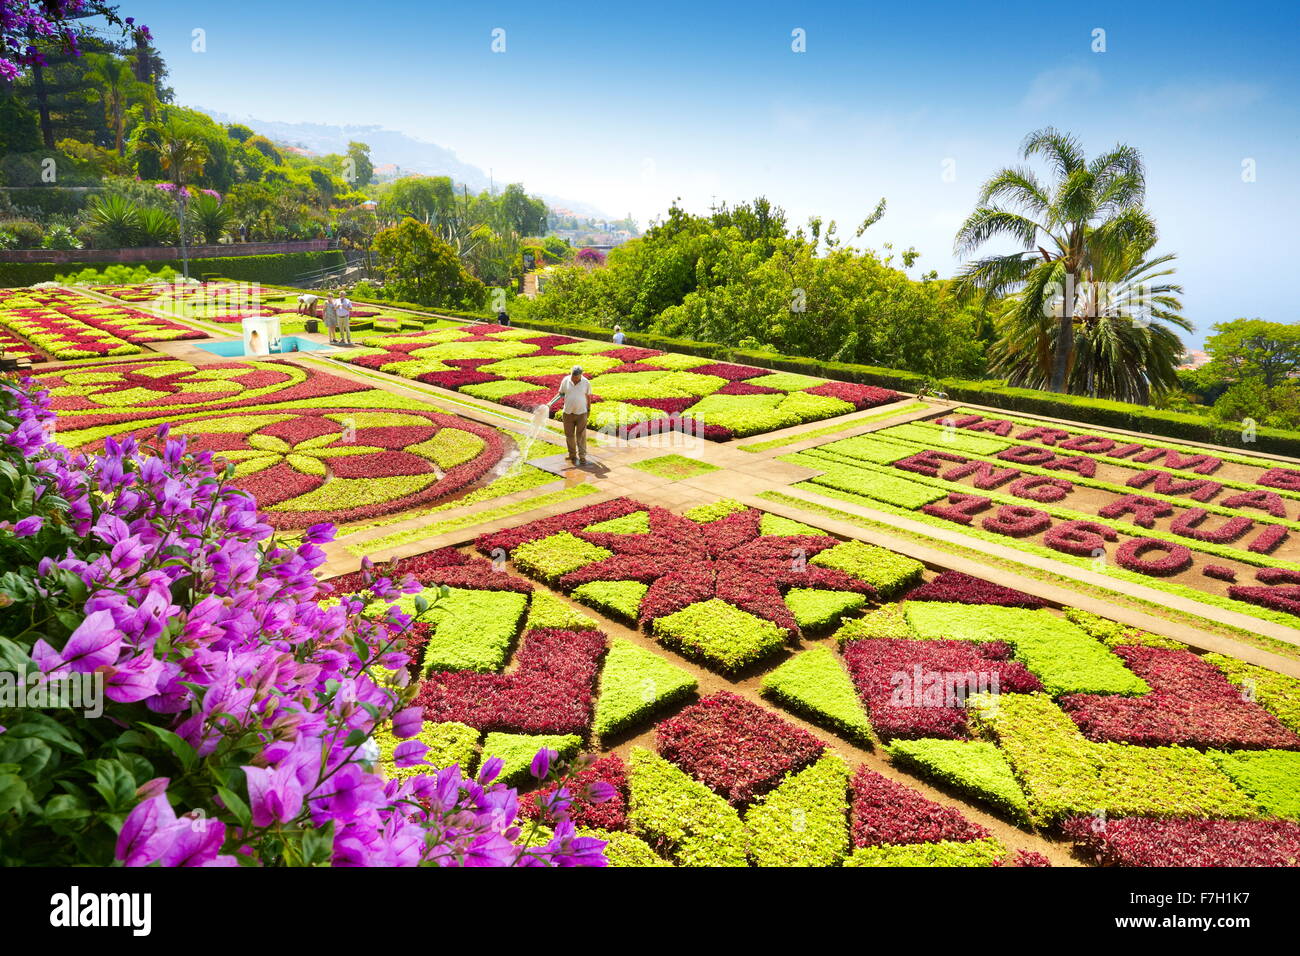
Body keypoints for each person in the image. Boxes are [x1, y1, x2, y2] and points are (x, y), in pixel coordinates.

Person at [548, 364, 592, 466]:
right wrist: (550, 403)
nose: (574, 378)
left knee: (581, 435)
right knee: (569, 435)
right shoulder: (566, 380)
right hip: (567, 413)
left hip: (581, 412)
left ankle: (582, 457)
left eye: (576, 376)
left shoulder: (586, 383)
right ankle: (572, 455)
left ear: (581, 375)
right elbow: (561, 394)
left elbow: (588, 396)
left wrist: (589, 409)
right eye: (572, 375)